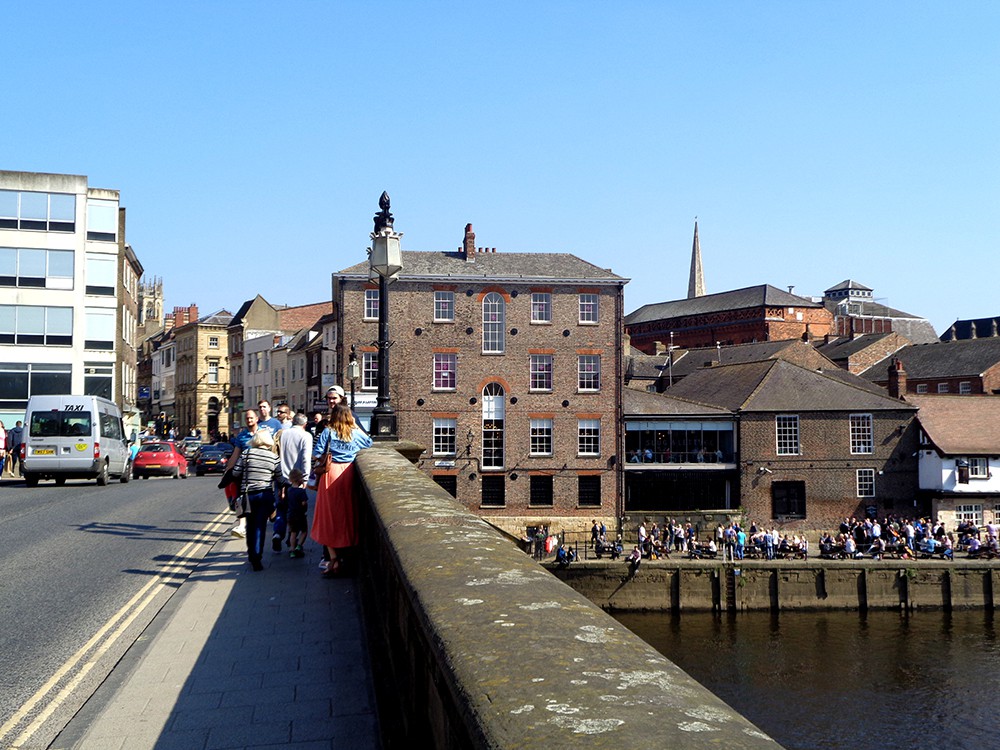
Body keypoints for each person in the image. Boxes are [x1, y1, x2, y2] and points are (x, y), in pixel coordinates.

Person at [311, 400, 372, 577]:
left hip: (331, 473)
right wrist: (355, 426)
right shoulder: (354, 432)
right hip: (349, 472)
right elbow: (369, 443)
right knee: (348, 514)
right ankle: (347, 557)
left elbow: (316, 453)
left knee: (327, 516)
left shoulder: (328, 432)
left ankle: (333, 558)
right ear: (349, 417)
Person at [231, 430, 283, 571]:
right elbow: (280, 478)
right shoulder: (273, 457)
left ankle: (251, 554)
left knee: (250, 525)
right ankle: (257, 557)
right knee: (261, 526)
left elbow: (236, 472)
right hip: (265, 495)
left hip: (248, 495)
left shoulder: (246, 454)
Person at [275, 412, 312, 552]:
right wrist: (305, 479)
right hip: (297, 480)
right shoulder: (306, 436)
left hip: (283, 478)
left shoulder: (283, 434)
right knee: (297, 512)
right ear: (305, 424)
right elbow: (305, 459)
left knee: (282, 509)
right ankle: (294, 540)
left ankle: (279, 533)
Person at [285, 468, 309, 558]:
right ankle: (299, 546)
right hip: (300, 515)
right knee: (304, 531)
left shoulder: (289, 490)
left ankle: (292, 549)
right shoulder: (301, 492)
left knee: (293, 533)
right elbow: (304, 503)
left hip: (291, 515)